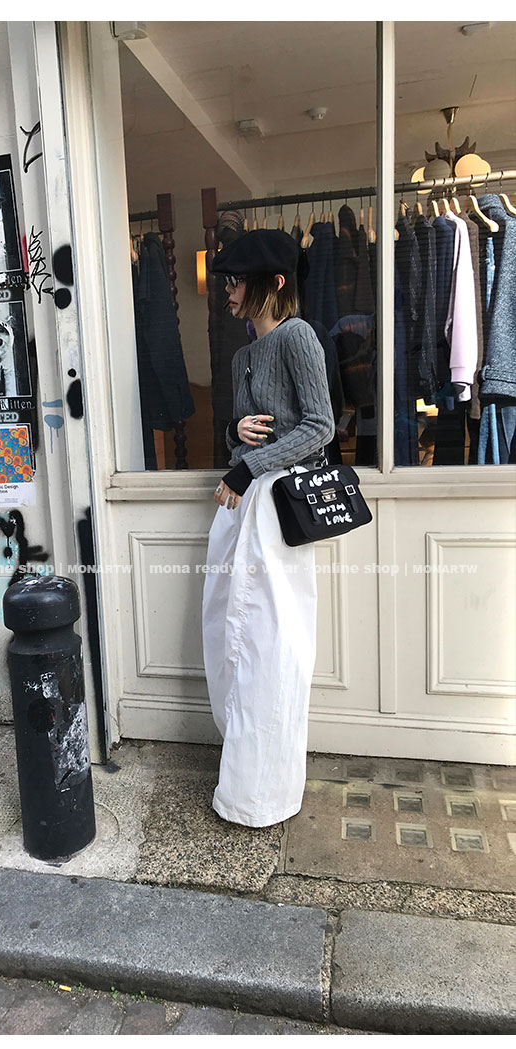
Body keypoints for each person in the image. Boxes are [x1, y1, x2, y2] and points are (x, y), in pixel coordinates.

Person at [202, 228, 335, 828]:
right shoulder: (241, 357)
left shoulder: (298, 336)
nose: (228, 291)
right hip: (243, 508)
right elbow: (243, 433)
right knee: (231, 635)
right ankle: (241, 777)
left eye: (237, 281)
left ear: (274, 283)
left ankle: (265, 793)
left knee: (271, 642)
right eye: (227, 281)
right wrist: (237, 435)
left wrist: (249, 464)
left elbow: (320, 427)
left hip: (278, 509)